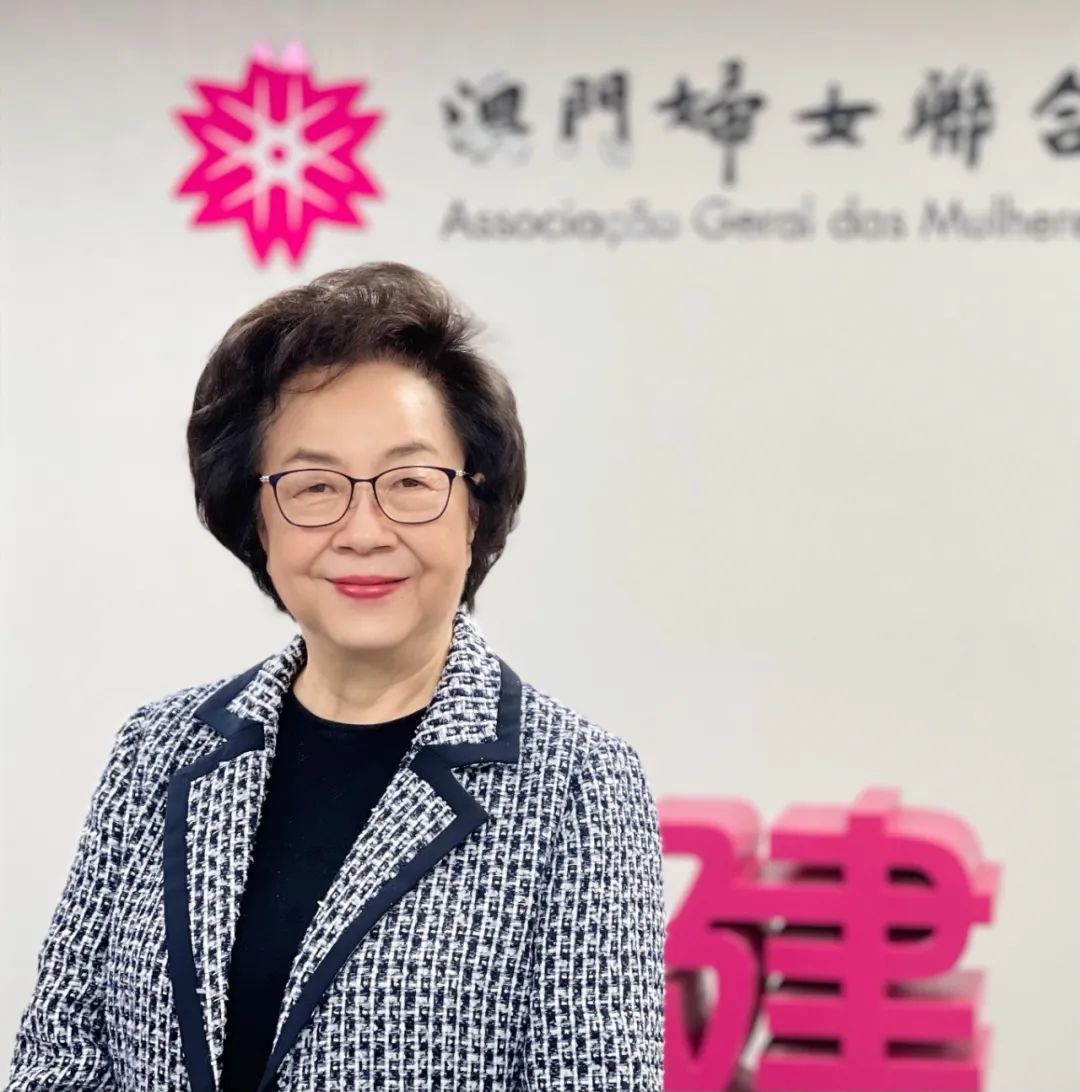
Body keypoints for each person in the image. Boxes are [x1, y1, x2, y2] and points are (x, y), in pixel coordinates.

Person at [5, 262, 666, 1091]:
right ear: (257, 518)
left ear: (475, 507)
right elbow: (62, 1059)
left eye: (410, 483)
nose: (363, 530)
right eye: (314, 486)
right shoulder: (158, 750)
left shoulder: (577, 783)